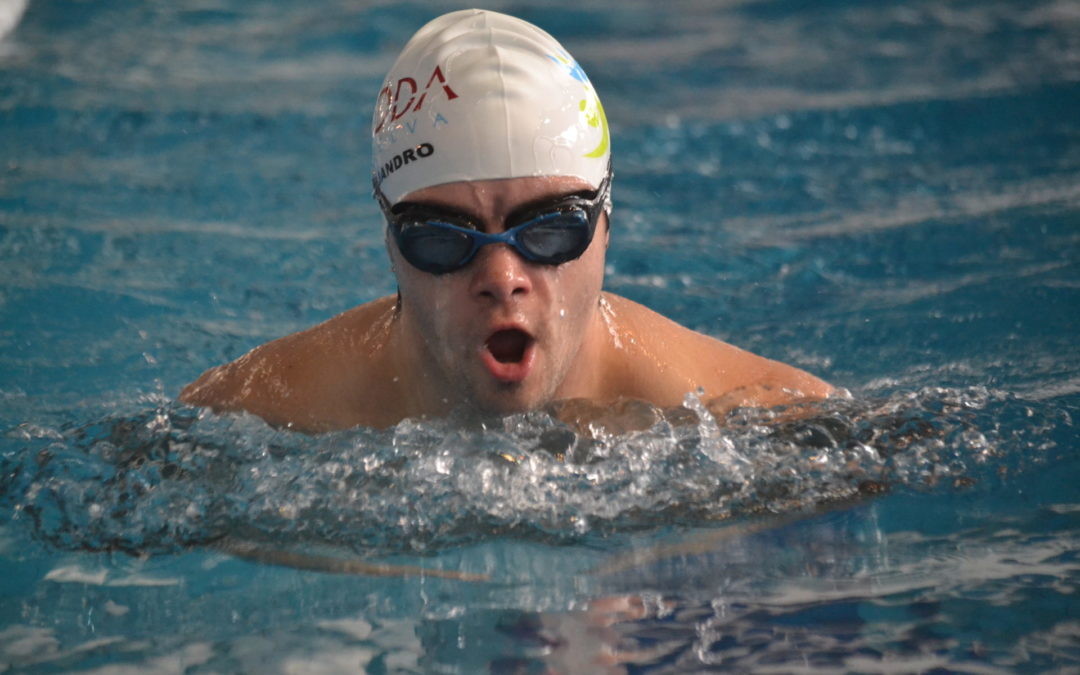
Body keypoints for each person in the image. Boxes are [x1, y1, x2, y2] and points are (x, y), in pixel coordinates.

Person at [180, 9, 832, 433]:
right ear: (390, 244)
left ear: (605, 225)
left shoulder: (755, 413)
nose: (501, 276)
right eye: (442, 238)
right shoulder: (258, 412)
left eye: (549, 229)